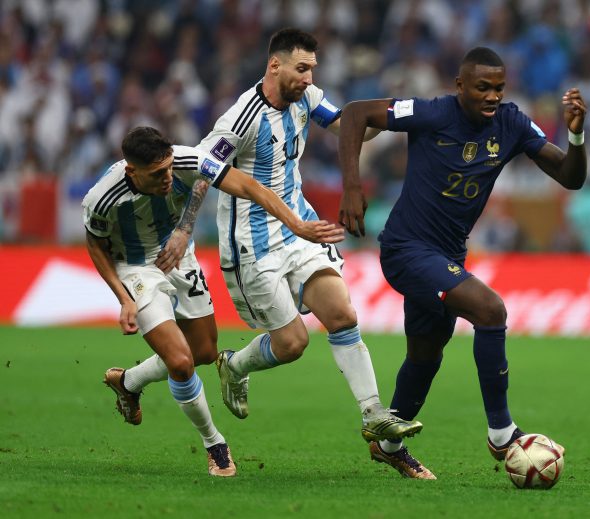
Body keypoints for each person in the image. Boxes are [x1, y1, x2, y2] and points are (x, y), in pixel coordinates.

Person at [159, 27, 422, 449]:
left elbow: (350, 126)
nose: (309, 78)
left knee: (342, 313)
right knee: (293, 343)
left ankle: (374, 414)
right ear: (274, 66)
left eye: (312, 69)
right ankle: (235, 366)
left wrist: (399, 114)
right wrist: (185, 228)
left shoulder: (308, 98)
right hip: (253, 245)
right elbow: (203, 172)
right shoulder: (241, 118)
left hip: (300, 228)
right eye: (301, 69)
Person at [337, 47, 584, 479]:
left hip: (449, 254)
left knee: (426, 355)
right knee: (490, 310)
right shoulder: (432, 113)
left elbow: (570, 177)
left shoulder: (511, 124)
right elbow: (356, 113)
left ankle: (389, 444)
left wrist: (577, 137)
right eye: (482, 87)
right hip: (406, 248)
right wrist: (352, 187)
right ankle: (502, 433)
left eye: (499, 88)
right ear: (460, 86)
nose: (492, 96)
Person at [83, 126, 344, 477]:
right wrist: (124, 298)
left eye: (169, 168)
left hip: (180, 258)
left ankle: (128, 382)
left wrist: (296, 225)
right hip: (135, 269)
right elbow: (95, 244)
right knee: (180, 362)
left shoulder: (188, 160)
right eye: (157, 174)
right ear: (132, 171)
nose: (168, 178)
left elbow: (248, 186)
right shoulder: (102, 197)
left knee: (204, 352)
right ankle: (215, 445)